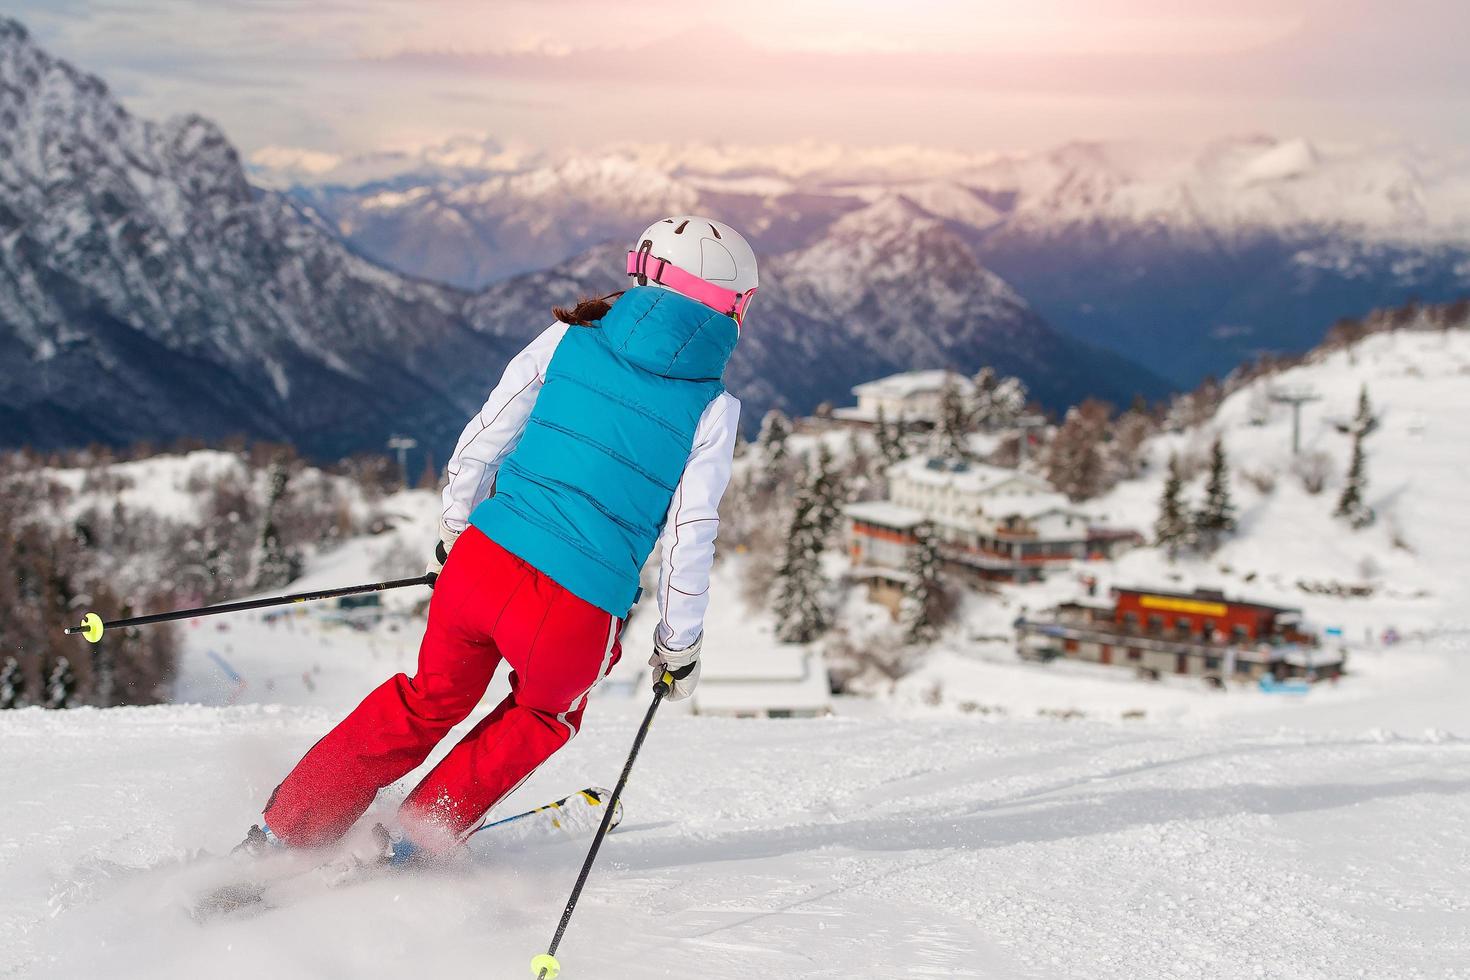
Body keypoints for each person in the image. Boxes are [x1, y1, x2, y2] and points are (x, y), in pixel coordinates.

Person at [239, 216, 756, 860]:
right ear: (730, 307)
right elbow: (690, 534)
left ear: (643, 272)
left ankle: (286, 828)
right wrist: (677, 645)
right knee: (544, 714)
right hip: (576, 604)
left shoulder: (568, 337)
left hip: (484, 563)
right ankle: (411, 842)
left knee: (428, 699)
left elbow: (486, 436)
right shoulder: (713, 408)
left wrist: (455, 531)